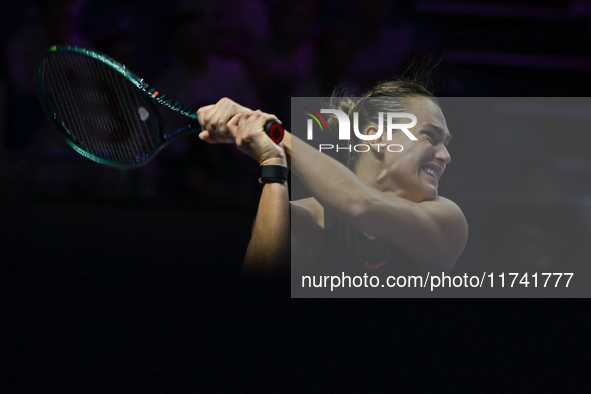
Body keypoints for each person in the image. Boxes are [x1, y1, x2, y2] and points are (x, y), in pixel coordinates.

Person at [197, 81, 468, 280]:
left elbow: (360, 205)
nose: (446, 156)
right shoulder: (304, 217)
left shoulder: (447, 219)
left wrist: (274, 132)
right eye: (430, 136)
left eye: (446, 143)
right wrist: (273, 162)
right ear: (378, 138)